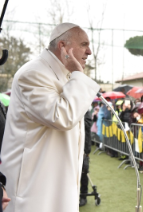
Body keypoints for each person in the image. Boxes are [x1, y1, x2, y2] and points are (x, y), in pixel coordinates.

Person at [0, 23, 100, 212]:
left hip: (57, 182)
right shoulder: (33, 73)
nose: (89, 52)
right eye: (84, 44)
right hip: (33, 187)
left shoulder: (65, 76)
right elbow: (62, 117)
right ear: (63, 46)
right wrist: (79, 75)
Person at [79, 110, 92, 207]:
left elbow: (87, 124)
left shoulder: (86, 111)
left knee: (84, 173)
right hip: (73, 147)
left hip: (84, 148)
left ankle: (83, 196)